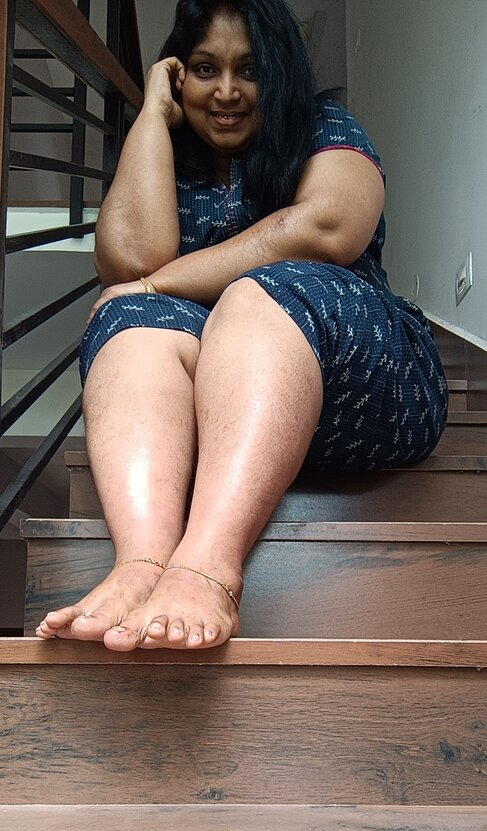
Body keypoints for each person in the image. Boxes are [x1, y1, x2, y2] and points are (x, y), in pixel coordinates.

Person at [35, 0, 449, 652]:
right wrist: (151, 115)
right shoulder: (167, 154)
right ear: (179, 74)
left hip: (356, 386)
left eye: (248, 70)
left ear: (277, 71)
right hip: (219, 414)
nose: (226, 92)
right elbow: (128, 264)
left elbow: (325, 228)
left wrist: (158, 283)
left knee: (257, 293)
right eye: (205, 69)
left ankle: (206, 569)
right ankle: (141, 563)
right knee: (128, 318)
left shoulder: (324, 127)